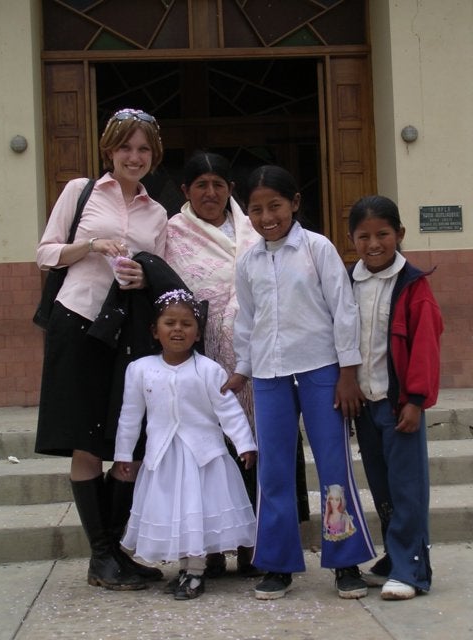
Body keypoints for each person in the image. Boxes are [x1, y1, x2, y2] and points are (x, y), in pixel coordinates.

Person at [35, 108, 183, 590]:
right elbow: (46, 252)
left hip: (125, 333)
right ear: (110, 149)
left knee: (127, 440)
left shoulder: (157, 212)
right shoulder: (80, 192)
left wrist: (142, 275)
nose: (134, 157)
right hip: (76, 322)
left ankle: (115, 550)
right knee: (86, 438)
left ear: (153, 156)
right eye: (126, 147)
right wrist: (91, 246)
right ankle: (101, 556)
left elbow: (157, 273)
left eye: (143, 149)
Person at [223, 165, 376, 601]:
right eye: (256, 209)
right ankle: (277, 564)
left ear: (294, 203)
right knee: (273, 472)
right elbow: (246, 320)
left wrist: (347, 372)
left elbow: (343, 310)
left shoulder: (317, 249)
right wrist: (243, 368)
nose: (267, 216)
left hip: (321, 371)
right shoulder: (249, 260)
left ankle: (345, 560)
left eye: (275, 206)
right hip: (269, 376)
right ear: (247, 212)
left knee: (333, 465)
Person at [165, 151, 310, 577]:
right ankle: (210, 547)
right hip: (204, 366)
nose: (210, 192)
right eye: (201, 185)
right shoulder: (172, 235)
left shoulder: (254, 226)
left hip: (265, 360)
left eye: (219, 184)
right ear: (185, 192)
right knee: (211, 455)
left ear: (231, 189)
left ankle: (259, 546)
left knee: (261, 449)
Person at [114, 289, 257, 600]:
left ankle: (195, 573)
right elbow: (130, 415)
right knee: (177, 514)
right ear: (155, 330)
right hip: (163, 457)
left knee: (195, 511)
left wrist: (244, 443)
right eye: (169, 323)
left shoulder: (208, 369)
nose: (178, 329)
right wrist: (123, 453)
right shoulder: (140, 369)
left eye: (186, 324)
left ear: (197, 333)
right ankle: (185, 568)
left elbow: (228, 410)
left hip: (203, 457)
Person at [348, 195, 443, 600]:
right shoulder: (347, 282)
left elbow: (425, 346)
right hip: (365, 405)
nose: (374, 244)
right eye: (363, 236)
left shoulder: (414, 286)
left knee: (407, 487)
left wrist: (415, 399)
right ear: (352, 239)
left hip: (398, 405)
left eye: (383, 234)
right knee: (382, 486)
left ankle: (412, 570)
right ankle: (395, 556)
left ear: (399, 234)